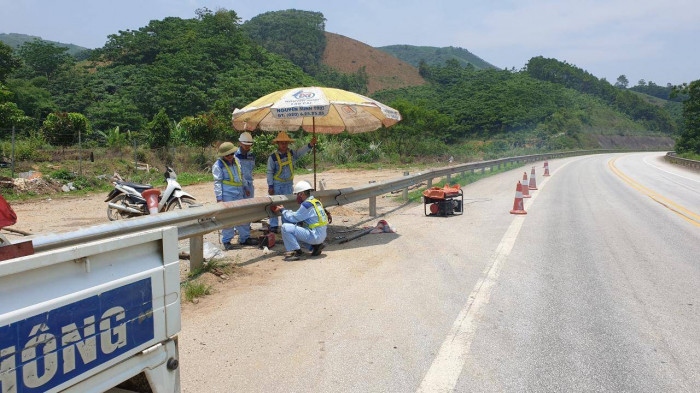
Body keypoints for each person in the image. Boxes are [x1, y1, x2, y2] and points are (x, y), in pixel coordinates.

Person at [266, 131, 316, 233]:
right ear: (278, 144)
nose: (284, 145)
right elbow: (269, 172)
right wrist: (270, 186)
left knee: (287, 205)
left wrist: (310, 145)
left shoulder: (292, 154)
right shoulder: (273, 157)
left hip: (288, 184)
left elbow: (300, 152)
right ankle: (274, 226)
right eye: (282, 143)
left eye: (285, 143)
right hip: (277, 185)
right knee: (275, 204)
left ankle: (287, 224)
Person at [213, 141, 258, 250]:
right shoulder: (218, 165)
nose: (230, 157)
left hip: (239, 192)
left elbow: (241, 175)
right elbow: (217, 182)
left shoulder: (237, 161)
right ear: (223, 155)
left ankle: (244, 238)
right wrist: (219, 198)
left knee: (242, 214)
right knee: (229, 217)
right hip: (228, 194)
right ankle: (227, 241)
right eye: (227, 155)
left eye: (231, 154)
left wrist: (246, 187)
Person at [270, 180, 328, 261]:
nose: (297, 197)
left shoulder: (306, 205)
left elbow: (294, 217)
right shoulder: (316, 202)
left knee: (285, 228)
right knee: (296, 228)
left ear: (302, 194)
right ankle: (315, 247)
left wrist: (283, 210)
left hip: (315, 236)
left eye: (297, 194)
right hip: (321, 234)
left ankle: (293, 251)